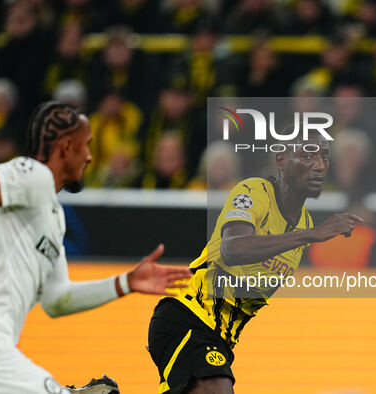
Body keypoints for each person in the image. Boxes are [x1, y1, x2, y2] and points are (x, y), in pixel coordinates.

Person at [0, 101, 192, 394]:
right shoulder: (34, 174)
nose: (88, 157)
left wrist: (125, 283)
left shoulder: (53, 216)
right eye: (85, 146)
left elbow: (57, 300)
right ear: (65, 147)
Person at [148, 130, 363, 394]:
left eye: (324, 156)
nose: (319, 165)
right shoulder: (255, 192)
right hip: (189, 316)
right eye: (307, 155)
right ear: (282, 160)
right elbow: (232, 249)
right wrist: (312, 235)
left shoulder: (304, 223)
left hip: (221, 339)